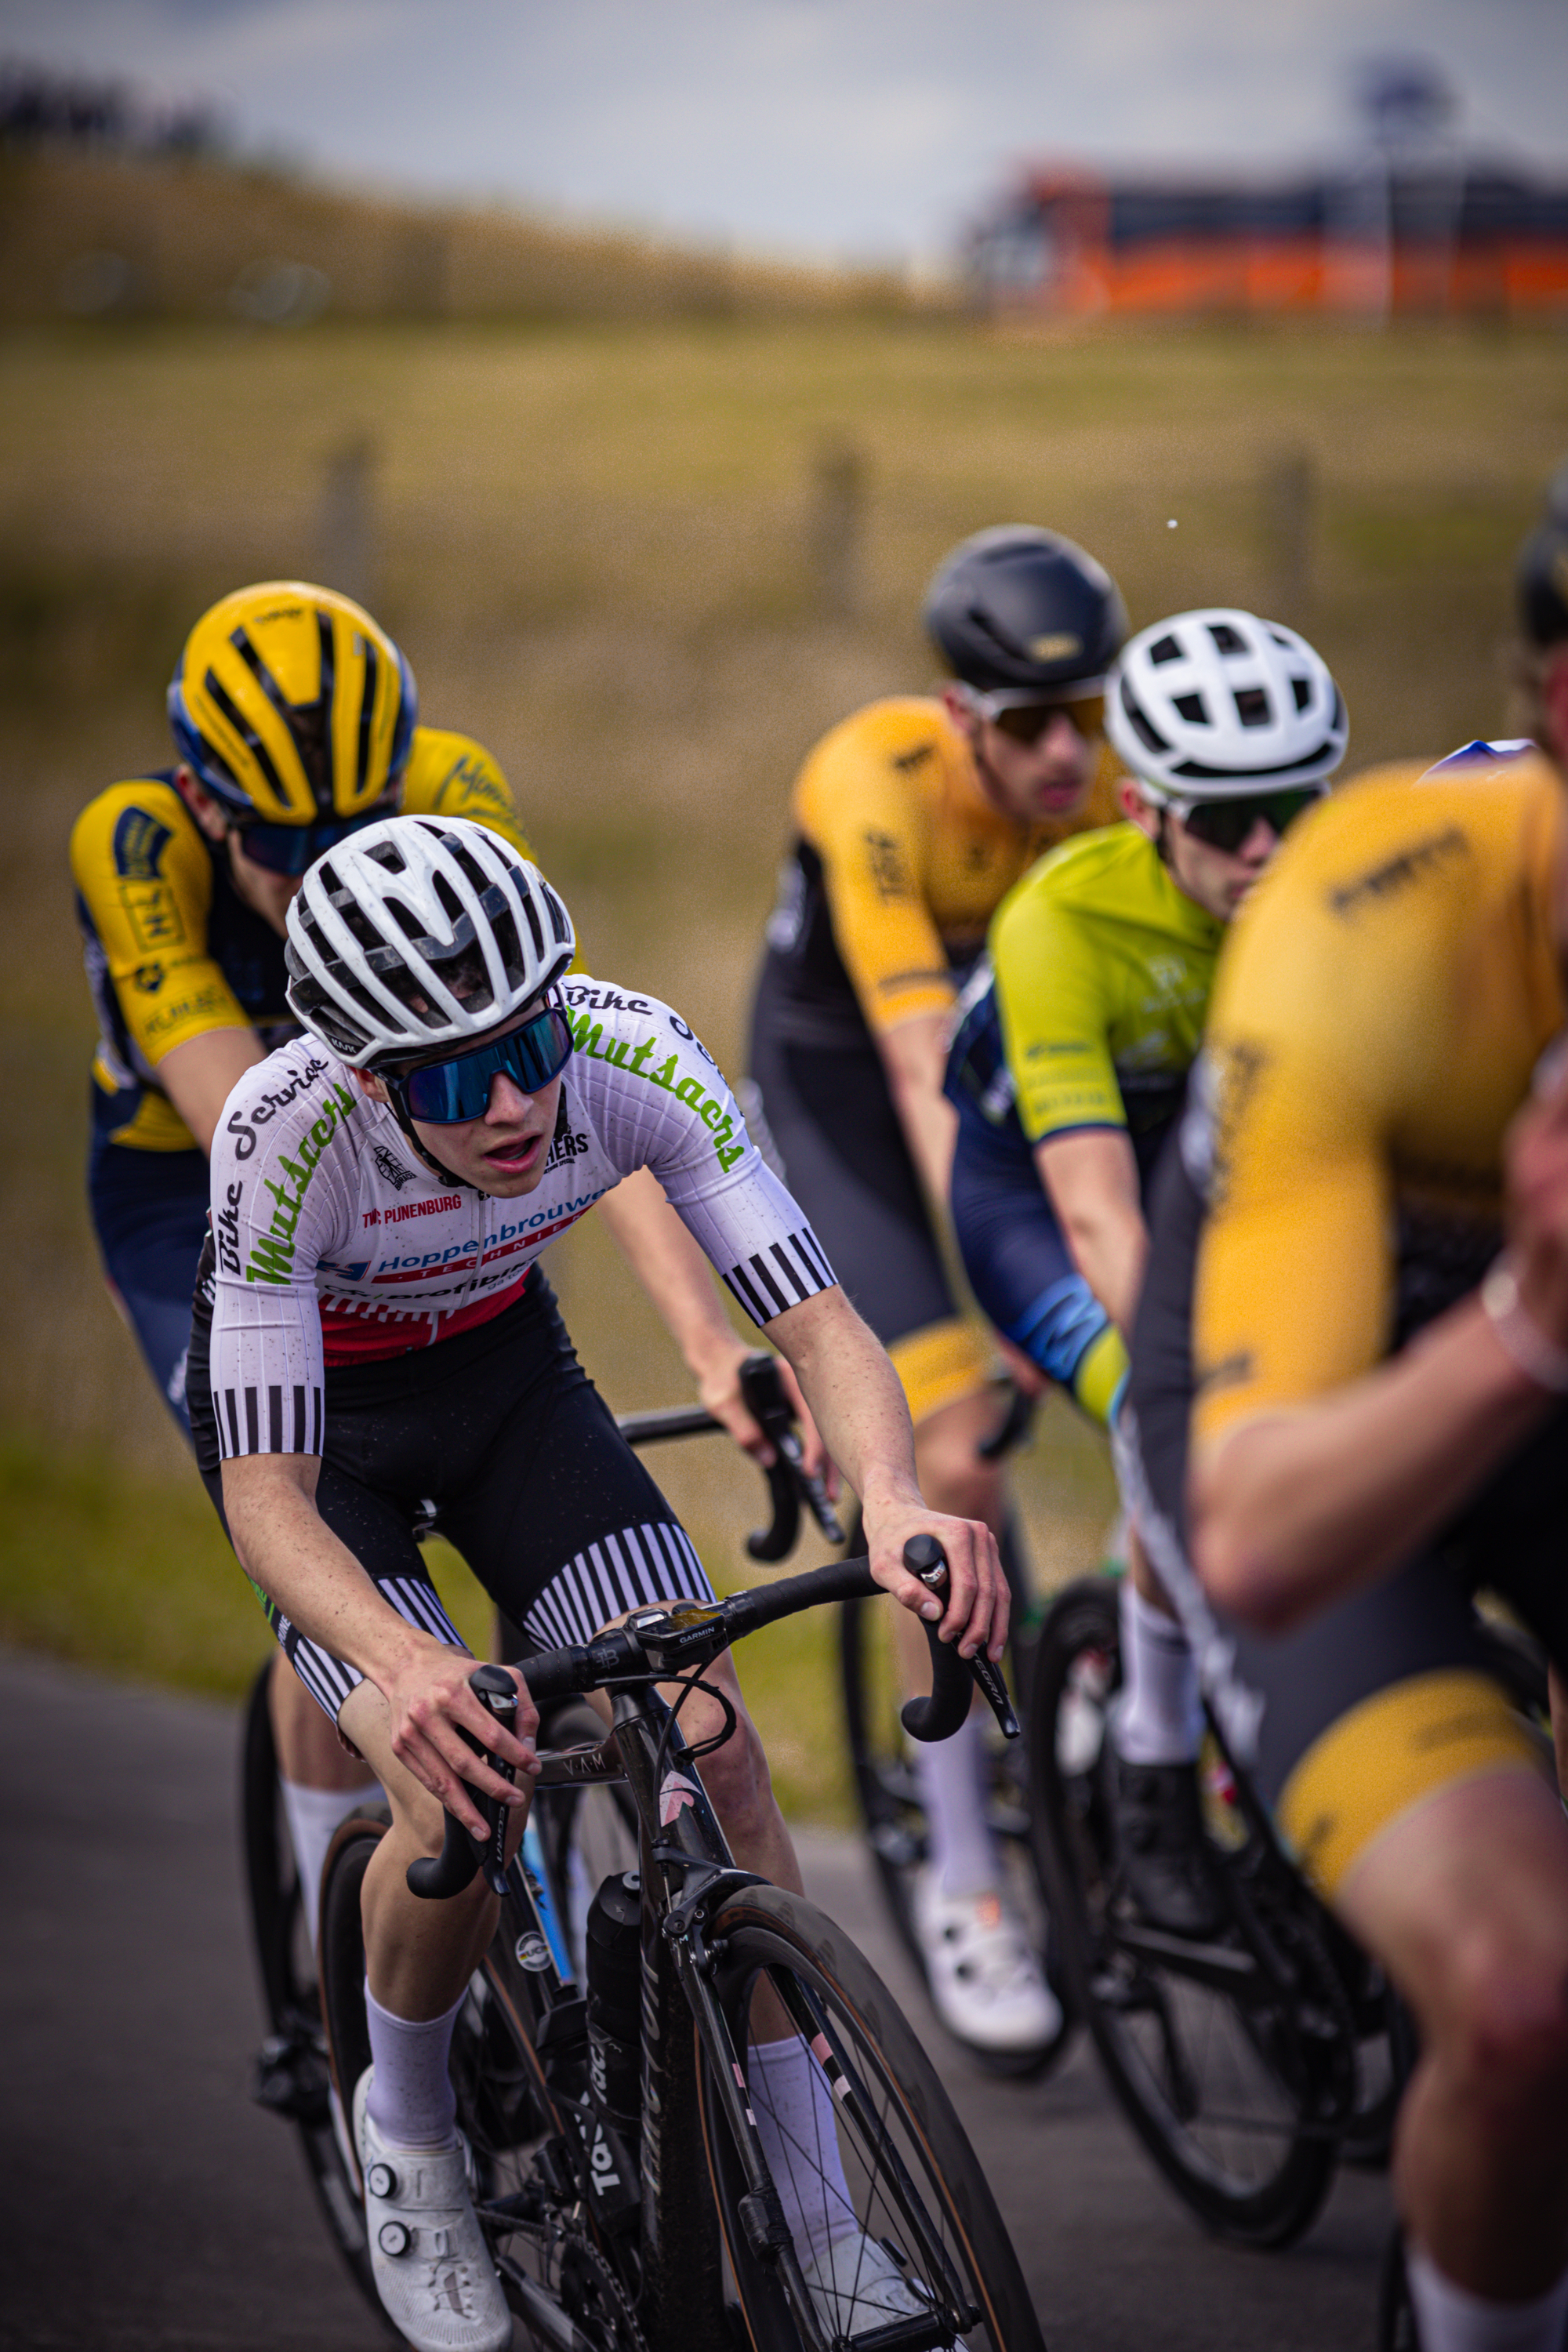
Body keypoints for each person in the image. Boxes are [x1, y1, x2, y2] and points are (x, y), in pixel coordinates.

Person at [189, 813, 1006, 2352]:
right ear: (368, 1076)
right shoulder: (277, 1137)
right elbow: (266, 1499)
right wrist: (403, 1669)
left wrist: (892, 1502)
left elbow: (821, 1326)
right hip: (332, 1450)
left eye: (528, 1042)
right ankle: (413, 2144)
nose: (510, 1100)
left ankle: (826, 2234)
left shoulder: (629, 1055)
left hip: (507, 1386)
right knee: (455, 1786)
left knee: (714, 1743)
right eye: (447, 1076)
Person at [70, 581, 804, 2107]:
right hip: (211, 1185)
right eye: (284, 846)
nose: (320, 870)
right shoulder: (131, 841)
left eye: (358, 825)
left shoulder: (460, 798)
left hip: (427, 1130)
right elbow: (251, 1146)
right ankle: (325, 1948)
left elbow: (560, 1102)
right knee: (296, 1510)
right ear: (208, 810)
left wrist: (697, 1337)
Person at [1116, 500, 1568, 2352]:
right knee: (1528, 2001)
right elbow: (1264, 1537)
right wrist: (1532, 1312)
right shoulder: (1367, 910)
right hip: (1314, 1416)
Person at [746, 523, 1126, 2055]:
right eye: (1024, 725)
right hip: (848, 1091)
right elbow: (919, 1072)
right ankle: (966, 1877)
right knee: (953, 1444)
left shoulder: (1105, 790)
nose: (1060, 754)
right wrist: (1000, 1301)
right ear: (955, 711)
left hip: (1015, 1086)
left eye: (1083, 718)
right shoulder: (874, 784)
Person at [945, 608, 1346, 1932]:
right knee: (1155, 1406)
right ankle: (1156, 1763)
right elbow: (1102, 1218)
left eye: (1297, 806)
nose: (1268, 850)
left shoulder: (1324, 890)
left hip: (1207, 1168)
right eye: (1229, 823)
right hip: (1043, 1202)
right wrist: (1199, 1375)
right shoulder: (1060, 922)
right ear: (1143, 809)